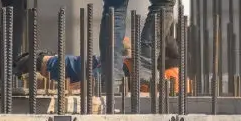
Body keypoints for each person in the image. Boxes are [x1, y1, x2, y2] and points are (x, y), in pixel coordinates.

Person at [15, 35, 181, 93]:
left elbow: (85, 84)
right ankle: (36, 61)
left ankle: (34, 62)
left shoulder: (127, 68)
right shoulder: (179, 77)